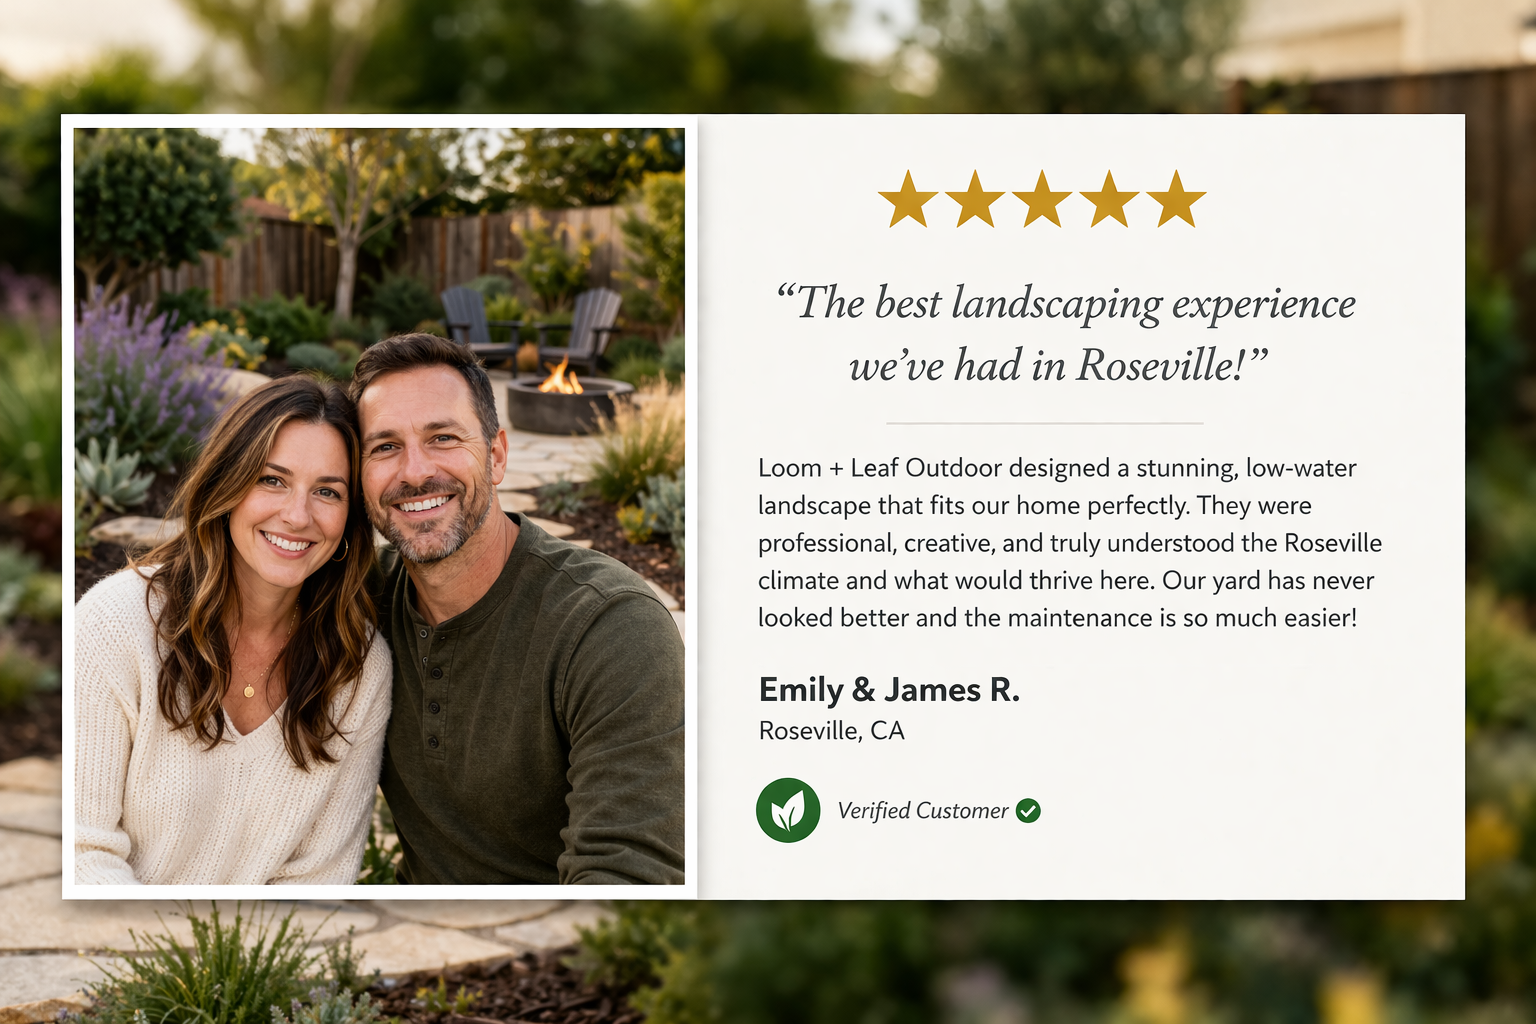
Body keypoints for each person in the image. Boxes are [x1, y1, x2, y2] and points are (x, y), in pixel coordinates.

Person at [350, 333, 684, 884]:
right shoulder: (359, 606)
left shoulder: (610, 626)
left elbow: (629, 875)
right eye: (384, 447)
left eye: (443, 437)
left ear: (497, 455)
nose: (414, 471)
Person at [74, 376, 392, 885]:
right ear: (227, 485)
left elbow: (320, 879)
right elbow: (82, 853)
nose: (297, 515)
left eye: (327, 492)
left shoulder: (357, 666)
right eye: (272, 480)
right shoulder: (116, 624)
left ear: (349, 522)